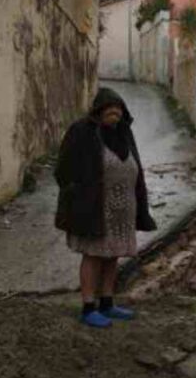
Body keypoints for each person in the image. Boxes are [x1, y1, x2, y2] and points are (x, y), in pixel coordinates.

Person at [55, 88, 157, 328]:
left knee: (113, 255)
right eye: (110, 109)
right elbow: (64, 169)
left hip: (123, 210)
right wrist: (78, 194)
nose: (115, 113)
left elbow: (137, 167)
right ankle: (88, 307)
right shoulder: (83, 132)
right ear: (98, 111)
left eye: (119, 109)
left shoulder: (123, 134)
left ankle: (107, 303)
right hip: (94, 208)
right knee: (93, 255)